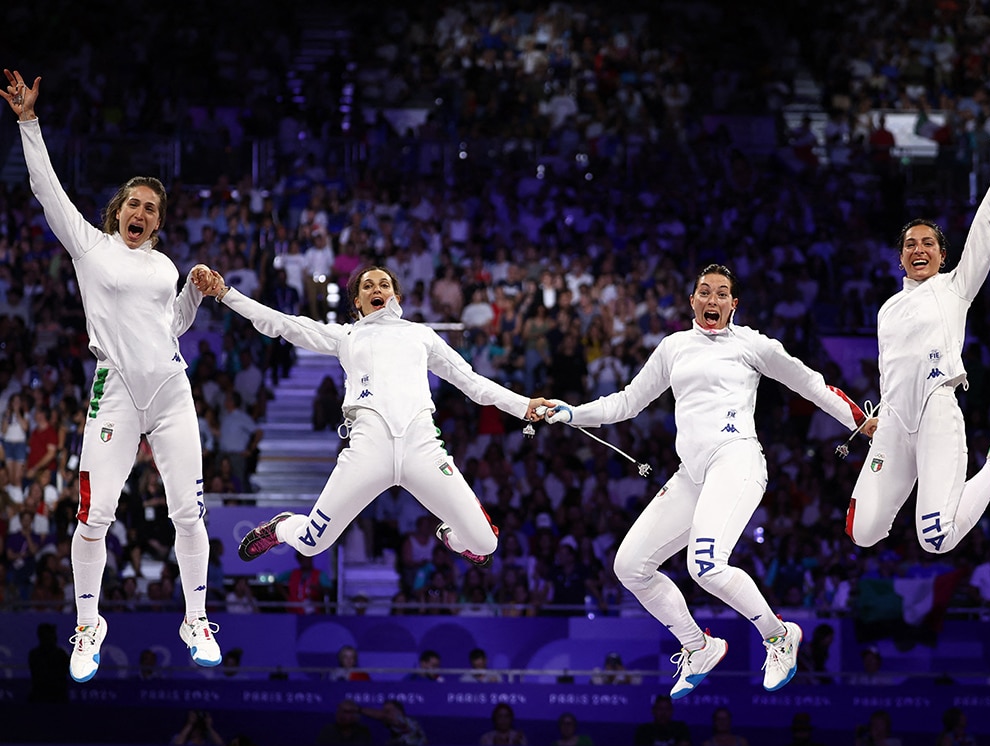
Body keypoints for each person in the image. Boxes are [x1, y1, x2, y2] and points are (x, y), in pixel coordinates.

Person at [546, 263, 872, 697]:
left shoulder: (753, 345)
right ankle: (697, 645)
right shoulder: (673, 347)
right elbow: (626, 402)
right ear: (692, 301)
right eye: (704, 292)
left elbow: (810, 384)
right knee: (629, 567)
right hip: (692, 474)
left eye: (722, 294)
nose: (712, 300)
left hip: (737, 460)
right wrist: (572, 413)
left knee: (704, 566)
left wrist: (860, 420)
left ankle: (779, 637)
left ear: (734, 304)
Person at [2, 69, 220, 682]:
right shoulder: (90, 248)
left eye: (152, 209)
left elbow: (170, 328)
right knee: (93, 518)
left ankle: (196, 619)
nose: (142, 213)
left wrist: (196, 295)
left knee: (188, 514)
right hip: (117, 393)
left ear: (157, 222)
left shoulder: (165, 266)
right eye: (134, 204)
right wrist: (28, 121)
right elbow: (46, 190)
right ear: (117, 211)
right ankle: (88, 625)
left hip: (172, 394)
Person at [194, 264, 552, 570]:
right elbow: (282, 323)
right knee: (310, 543)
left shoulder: (420, 335)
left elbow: (472, 382)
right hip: (367, 451)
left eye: (384, 284)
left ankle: (448, 532)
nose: (377, 289)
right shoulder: (347, 336)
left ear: (395, 295)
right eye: (368, 286)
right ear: (358, 303)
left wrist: (523, 405)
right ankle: (282, 526)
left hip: (422, 448)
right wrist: (225, 293)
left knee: (485, 544)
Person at [846, 136, 990, 556]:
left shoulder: (954, 289)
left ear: (942, 255)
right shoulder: (887, 309)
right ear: (901, 258)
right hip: (893, 421)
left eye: (928, 243)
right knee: (862, 532)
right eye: (910, 244)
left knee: (937, 538)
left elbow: (984, 232)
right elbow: (890, 371)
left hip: (935, 410)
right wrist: (881, 418)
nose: (918, 249)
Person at [28, 622, 69, 703]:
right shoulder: (35, 654)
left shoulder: (61, 654)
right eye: (51, 634)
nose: (55, 636)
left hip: (59, 698)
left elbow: (68, 670)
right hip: (41, 697)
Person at [359, 699, 427, 746]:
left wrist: (358, 709)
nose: (385, 714)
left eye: (389, 711)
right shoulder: (391, 737)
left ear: (400, 712)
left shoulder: (409, 723)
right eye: (384, 711)